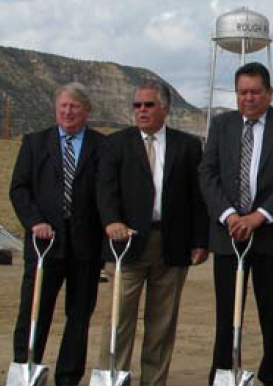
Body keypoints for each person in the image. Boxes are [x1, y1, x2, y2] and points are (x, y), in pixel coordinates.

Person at [199, 62, 273, 386]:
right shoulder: (221, 125)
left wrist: (259, 216)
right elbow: (207, 173)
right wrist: (230, 216)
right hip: (228, 234)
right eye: (243, 92)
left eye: (255, 92)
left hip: (271, 234)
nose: (249, 98)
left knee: (272, 313)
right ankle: (223, 374)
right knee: (227, 315)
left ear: (269, 94)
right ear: (236, 94)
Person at [96, 80, 209, 386]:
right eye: (137, 105)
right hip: (126, 243)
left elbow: (197, 197)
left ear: (165, 109)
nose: (142, 111)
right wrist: (111, 222)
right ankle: (113, 378)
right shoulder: (115, 144)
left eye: (149, 105)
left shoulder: (187, 146)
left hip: (171, 246)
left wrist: (201, 240)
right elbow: (104, 190)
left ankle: (154, 381)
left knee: (161, 324)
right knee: (119, 320)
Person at [9, 82, 106, 386]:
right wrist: (34, 221)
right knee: (34, 311)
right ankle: (27, 369)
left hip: (85, 247)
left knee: (79, 317)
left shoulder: (102, 146)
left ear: (86, 111)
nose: (68, 111)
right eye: (63, 105)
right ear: (56, 108)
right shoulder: (35, 143)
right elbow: (19, 189)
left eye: (74, 106)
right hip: (43, 245)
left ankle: (68, 377)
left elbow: (107, 194)